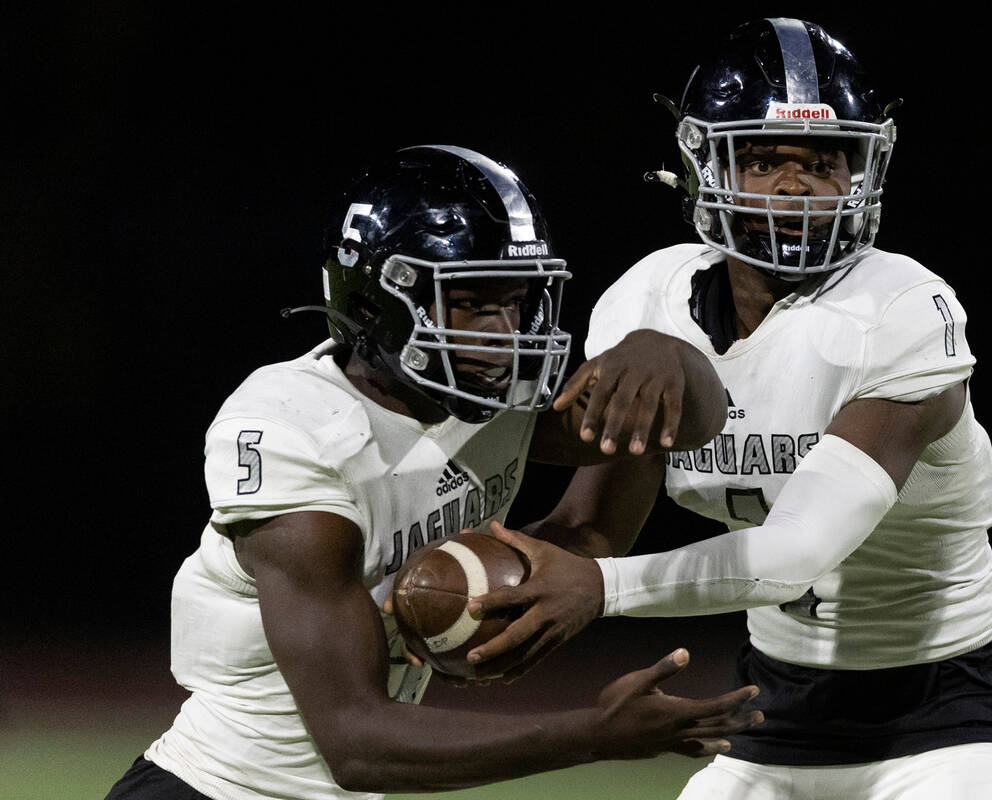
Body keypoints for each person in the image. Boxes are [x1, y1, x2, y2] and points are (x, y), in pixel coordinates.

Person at [464, 19, 992, 800]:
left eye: (822, 161)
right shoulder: (650, 303)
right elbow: (592, 527)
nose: (793, 185)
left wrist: (598, 588)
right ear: (705, 165)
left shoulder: (903, 308)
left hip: (953, 709)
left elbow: (797, 553)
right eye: (764, 159)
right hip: (774, 713)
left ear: (862, 172)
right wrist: (479, 590)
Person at [104, 144, 762, 800]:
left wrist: (667, 356)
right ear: (373, 303)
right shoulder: (294, 430)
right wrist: (594, 734)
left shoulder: (488, 397)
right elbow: (355, 741)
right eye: (472, 302)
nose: (503, 332)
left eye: (517, 301)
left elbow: (623, 484)